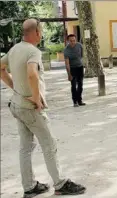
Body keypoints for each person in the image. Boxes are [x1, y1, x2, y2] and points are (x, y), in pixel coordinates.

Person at [0, 18, 86, 197]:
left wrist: (15, 87)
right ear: (37, 32)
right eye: (41, 30)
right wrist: (37, 99)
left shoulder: (14, 49)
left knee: (25, 147)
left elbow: (0, 68)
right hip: (30, 108)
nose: (42, 33)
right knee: (49, 144)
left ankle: (29, 187)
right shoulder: (33, 52)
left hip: (17, 105)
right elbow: (32, 74)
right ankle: (60, 183)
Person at [64, 34, 86, 107]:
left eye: (74, 40)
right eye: (71, 41)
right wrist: (69, 75)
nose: (73, 42)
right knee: (73, 86)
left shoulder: (79, 46)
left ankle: (79, 100)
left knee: (80, 85)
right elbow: (67, 64)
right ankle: (75, 102)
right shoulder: (66, 50)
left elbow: (82, 56)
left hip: (80, 67)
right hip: (72, 68)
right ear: (68, 41)